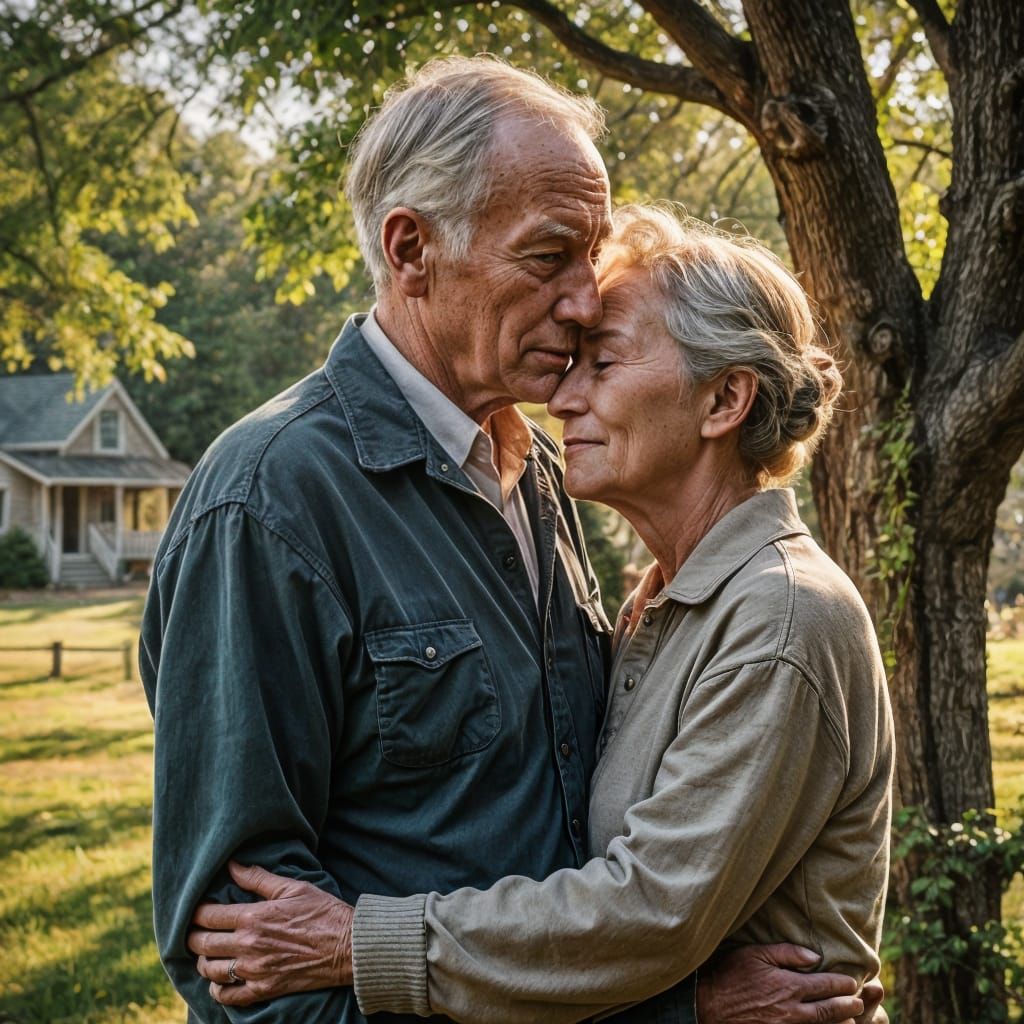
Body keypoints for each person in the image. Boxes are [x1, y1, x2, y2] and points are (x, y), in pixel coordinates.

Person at [144, 55, 877, 1023]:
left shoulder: (537, 475)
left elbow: (620, 878)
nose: (584, 301)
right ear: (411, 249)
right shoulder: (270, 501)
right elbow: (246, 963)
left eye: (591, 256)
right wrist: (671, 1010)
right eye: (548, 256)